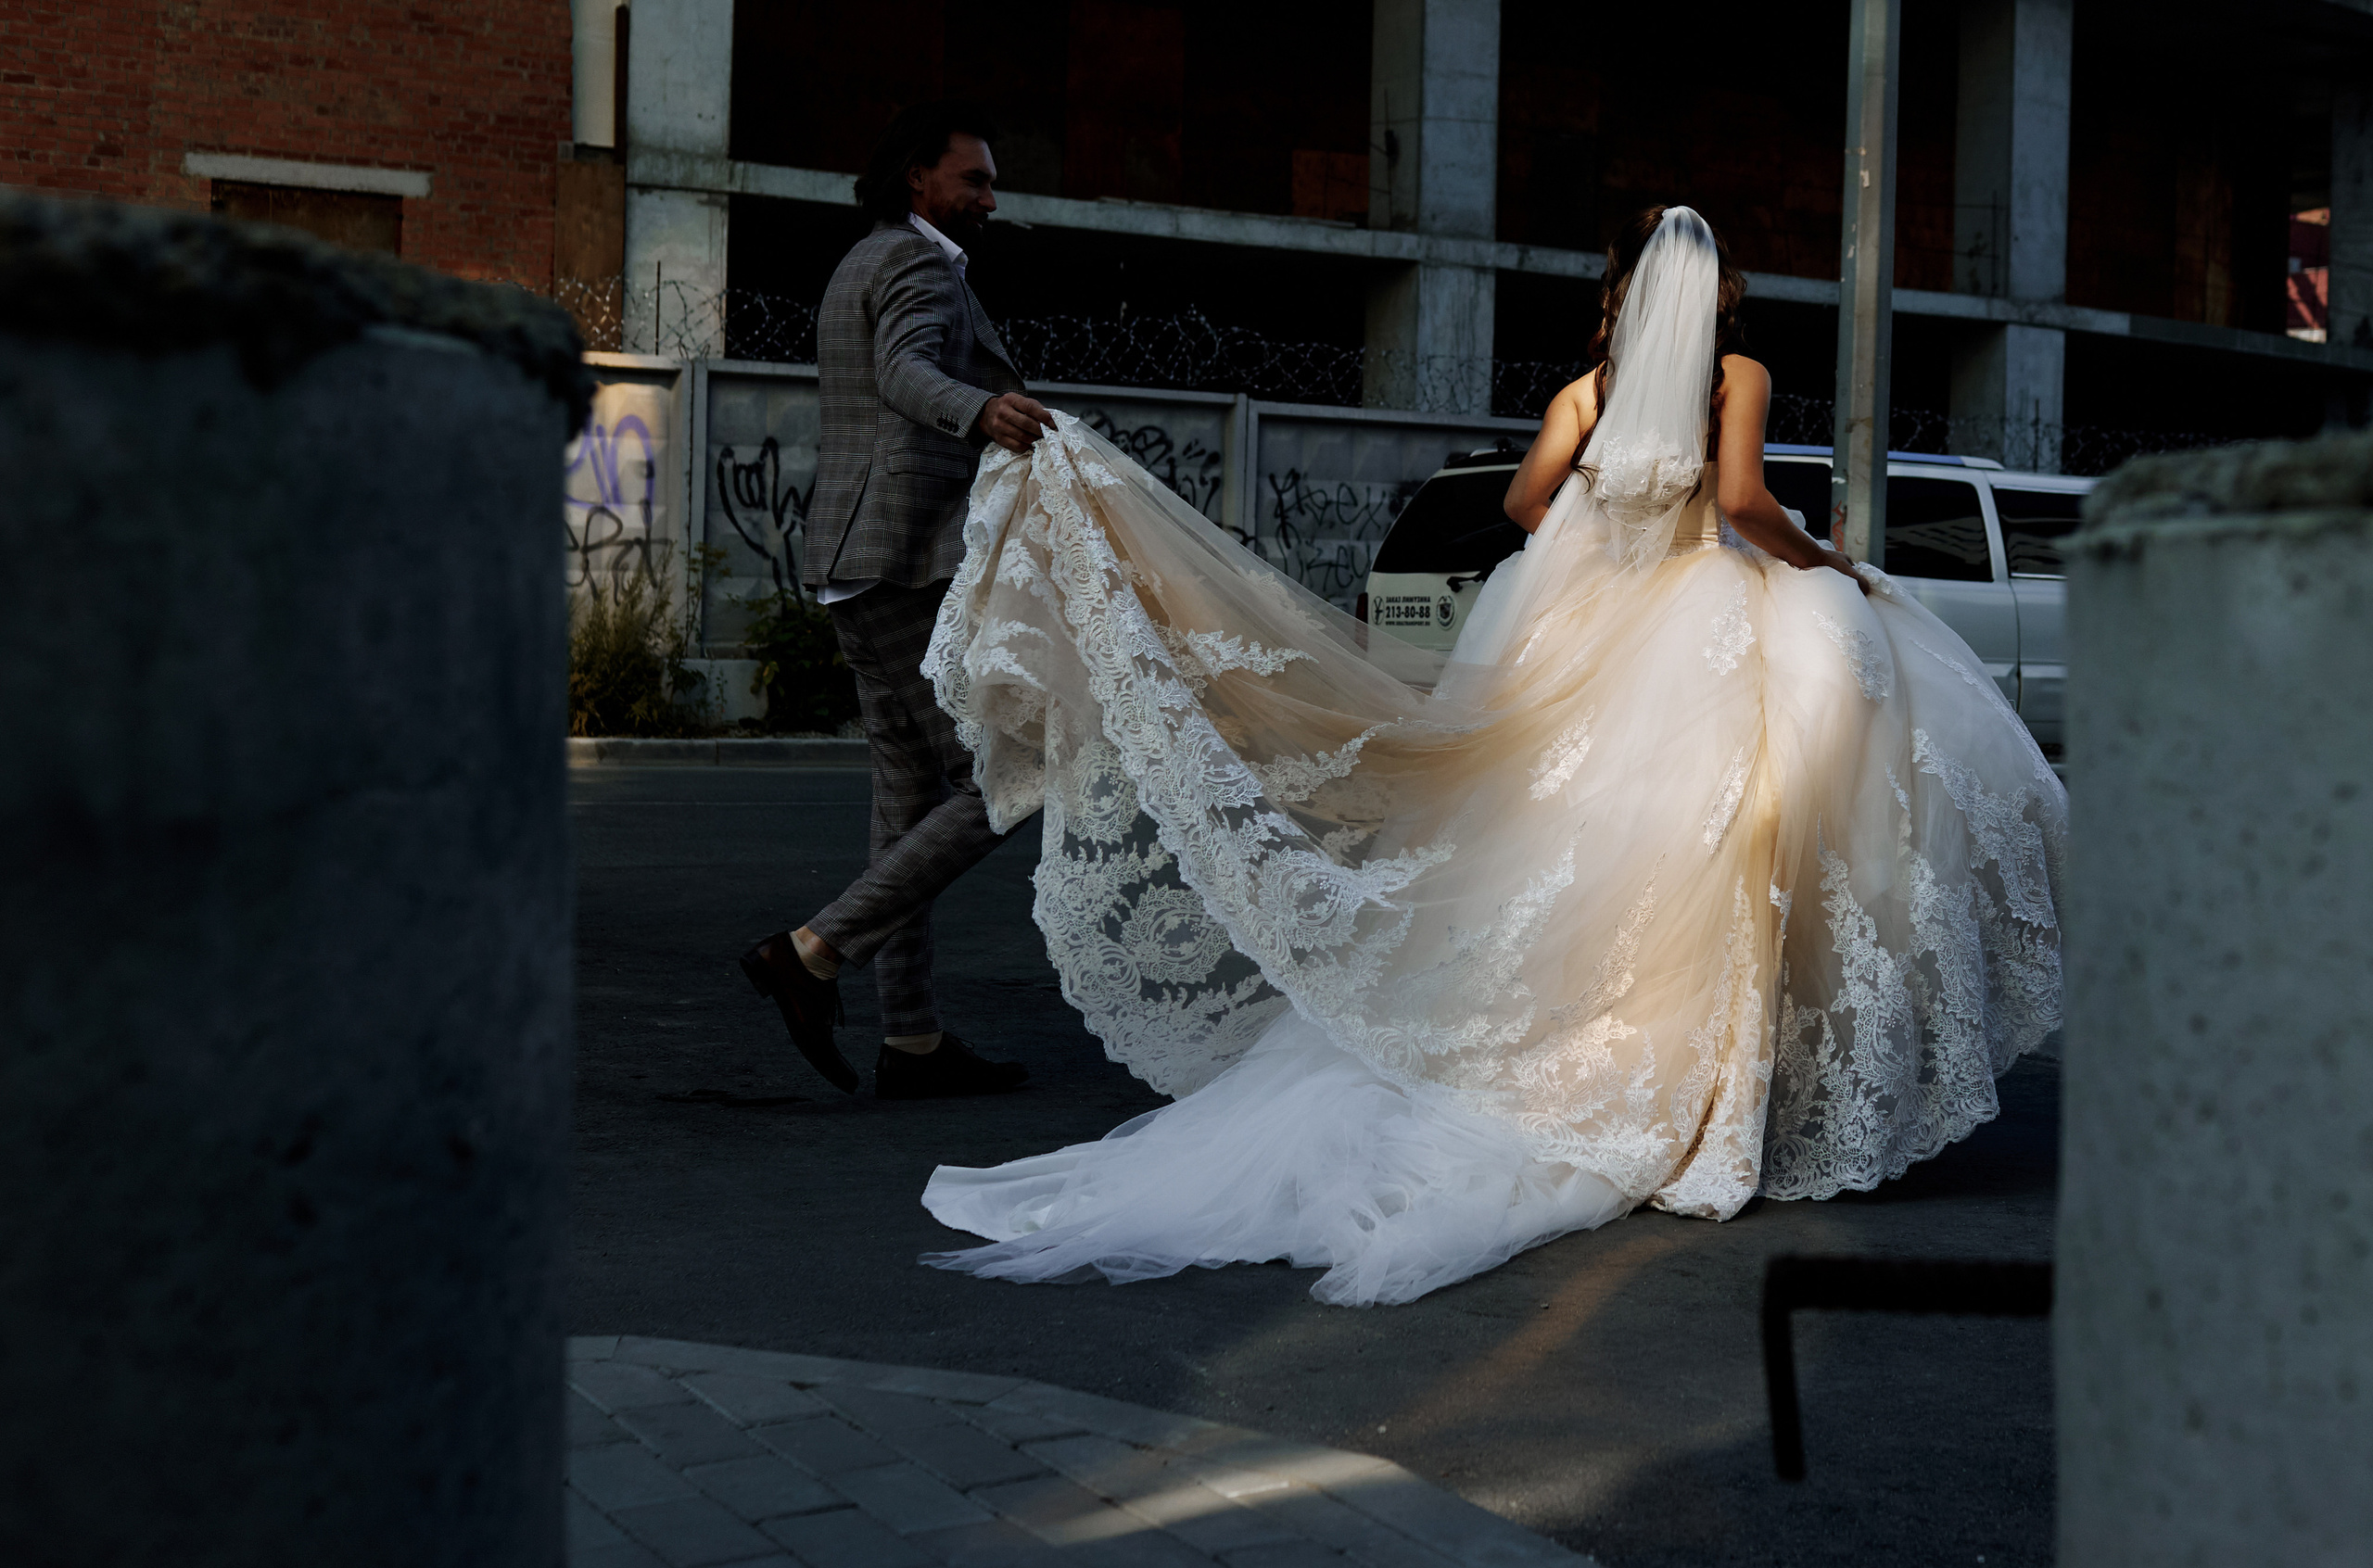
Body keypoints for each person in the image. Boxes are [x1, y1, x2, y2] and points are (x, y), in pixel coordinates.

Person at [910, 205, 2068, 1305]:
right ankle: (1712, 1100)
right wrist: (1821, 562)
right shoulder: (1738, 378)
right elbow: (1745, 499)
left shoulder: (1585, 390)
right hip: (1704, 619)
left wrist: (1600, 537)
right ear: (1712, 301)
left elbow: (1522, 504)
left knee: (1559, 852)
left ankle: (1585, 1057)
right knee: (1721, 851)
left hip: (1585, 629)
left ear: (1624, 299)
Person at [741, 103, 1054, 1101]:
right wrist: (980, 408)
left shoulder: (865, 255)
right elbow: (903, 369)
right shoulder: (917, 265)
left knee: (907, 802)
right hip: (898, 560)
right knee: (1010, 774)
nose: (989, 198)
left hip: (857, 558)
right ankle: (812, 950)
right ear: (919, 178)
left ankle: (911, 1041)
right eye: (974, 179)